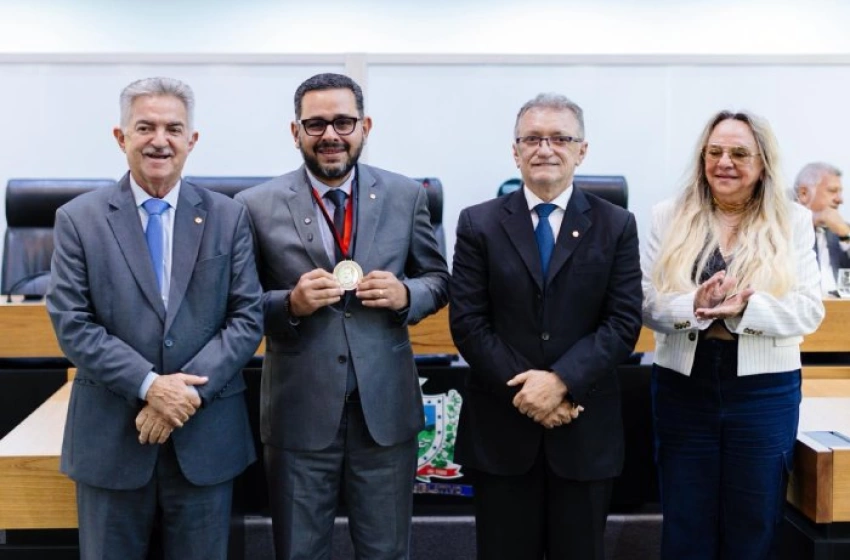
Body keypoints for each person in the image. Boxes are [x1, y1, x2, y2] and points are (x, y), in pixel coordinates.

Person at [46, 77, 264, 560]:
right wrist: (149, 386)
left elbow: (247, 318)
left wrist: (183, 395)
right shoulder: (78, 220)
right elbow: (72, 321)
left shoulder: (230, 217)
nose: (159, 140)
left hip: (205, 439)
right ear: (121, 137)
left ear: (192, 140)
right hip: (111, 441)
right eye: (145, 127)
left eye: (173, 128)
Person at [234, 73, 449, 560]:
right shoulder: (253, 205)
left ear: (365, 126)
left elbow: (438, 279)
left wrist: (405, 293)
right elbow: (240, 304)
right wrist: (288, 304)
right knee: (299, 551)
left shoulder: (406, 195)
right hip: (299, 413)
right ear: (296, 132)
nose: (330, 134)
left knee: (386, 551)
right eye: (316, 124)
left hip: (384, 411)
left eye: (343, 122)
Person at [449, 93, 643, 560]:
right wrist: (528, 392)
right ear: (515, 151)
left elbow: (622, 321)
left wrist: (561, 383)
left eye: (560, 138)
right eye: (532, 138)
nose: (545, 148)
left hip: (583, 430)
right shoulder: (479, 223)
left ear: (582, 150)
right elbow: (469, 322)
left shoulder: (616, 224)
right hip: (502, 432)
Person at [642, 110, 825, 559]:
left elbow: (809, 311)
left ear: (763, 163)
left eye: (740, 153)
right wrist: (694, 306)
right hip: (684, 384)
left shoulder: (794, 221)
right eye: (715, 152)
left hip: (763, 391)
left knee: (753, 521)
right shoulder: (668, 216)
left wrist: (748, 309)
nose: (725, 162)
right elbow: (644, 302)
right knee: (687, 523)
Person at [793, 162, 850, 294]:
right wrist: (807, 222)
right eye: (832, 191)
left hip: (841, 311)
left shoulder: (842, 230)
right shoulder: (778, 229)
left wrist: (846, 235)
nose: (840, 200)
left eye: (840, 192)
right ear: (803, 194)